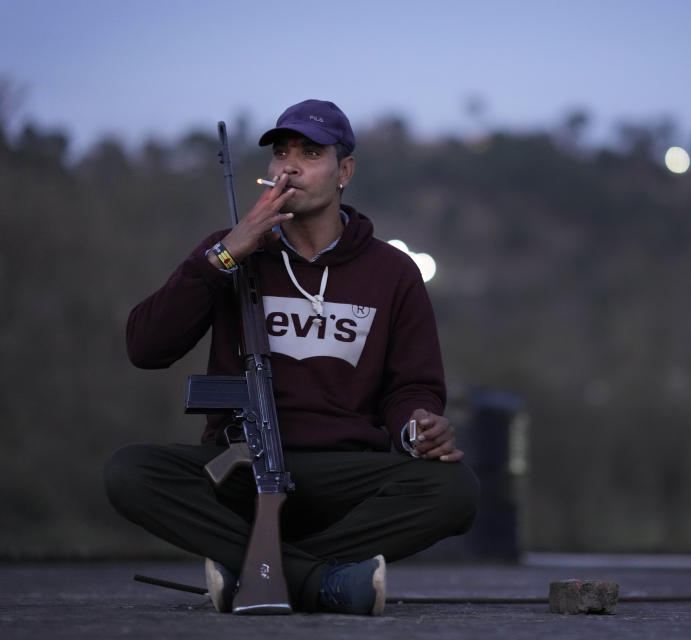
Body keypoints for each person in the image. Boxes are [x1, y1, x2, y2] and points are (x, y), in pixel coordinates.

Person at [104, 99, 479, 616]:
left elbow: (411, 387)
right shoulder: (227, 253)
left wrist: (416, 426)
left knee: (455, 489)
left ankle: (259, 573)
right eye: (280, 153)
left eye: (310, 152)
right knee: (130, 471)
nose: (289, 165)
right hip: (241, 470)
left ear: (344, 171)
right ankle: (325, 581)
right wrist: (226, 254)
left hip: (345, 476)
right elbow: (145, 347)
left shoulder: (393, 272)